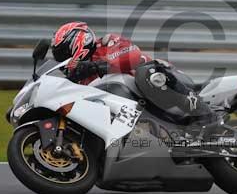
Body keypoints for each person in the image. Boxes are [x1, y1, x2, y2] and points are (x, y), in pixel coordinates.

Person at [50, 22, 219, 138]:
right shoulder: (79, 80)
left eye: (64, 55)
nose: (63, 62)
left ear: (78, 42)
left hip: (164, 83)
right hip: (142, 111)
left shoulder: (107, 43)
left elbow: (133, 55)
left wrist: (98, 66)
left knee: (145, 72)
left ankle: (204, 113)